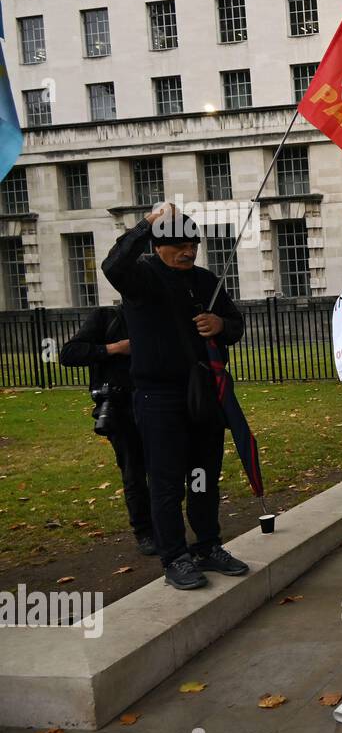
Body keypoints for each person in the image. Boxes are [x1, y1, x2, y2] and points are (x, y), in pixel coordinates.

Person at [101, 203, 248, 590]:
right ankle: (175, 557)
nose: (188, 251)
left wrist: (220, 324)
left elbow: (235, 325)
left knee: (202, 475)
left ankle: (207, 545)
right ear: (158, 245)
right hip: (159, 397)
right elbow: (113, 265)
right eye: (179, 245)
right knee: (166, 482)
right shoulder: (141, 277)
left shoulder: (205, 281)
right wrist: (146, 223)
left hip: (203, 395)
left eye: (193, 244)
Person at [59, 305, 155, 556]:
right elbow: (69, 353)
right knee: (134, 472)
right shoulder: (106, 318)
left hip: (157, 406)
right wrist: (114, 348)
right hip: (121, 408)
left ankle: (166, 526)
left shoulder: (159, 314)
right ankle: (145, 532)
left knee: (165, 473)